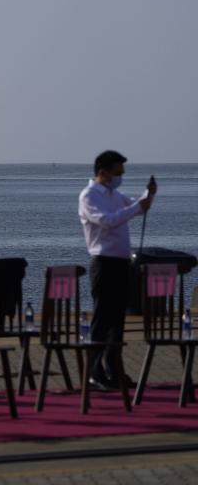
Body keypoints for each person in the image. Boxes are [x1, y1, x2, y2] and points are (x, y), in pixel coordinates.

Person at [78, 150, 157, 390]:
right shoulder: (89, 195)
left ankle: (114, 369)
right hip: (103, 263)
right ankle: (94, 372)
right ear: (103, 172)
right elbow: (108, 220)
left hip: (121, 263)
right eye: (117, 173)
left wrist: (149, 195)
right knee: (102, 319)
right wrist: (138, 206)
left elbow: (137, 207)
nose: (120, 177)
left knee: (117, 321)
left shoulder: (115, 194)